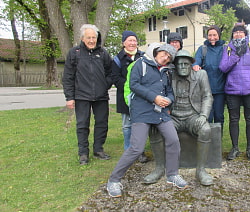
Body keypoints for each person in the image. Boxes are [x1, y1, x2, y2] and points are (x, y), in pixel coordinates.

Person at [106, 43, 188, 198]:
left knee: (173, 140)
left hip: (161, 113)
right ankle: (113, 180)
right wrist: (154, 97)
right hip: (141, 112)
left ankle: (172, 175)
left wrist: (168, 100)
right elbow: (133, 85)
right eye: (164, 54)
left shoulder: (167, 71)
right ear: (158, 52)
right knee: (136, 148)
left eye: (169, 57)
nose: (165, 58)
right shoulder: (141, 63)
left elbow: (170, 91)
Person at [144, 49, 214, 186]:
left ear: (191, 65)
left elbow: (207, 96)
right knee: (155, 129)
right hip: (173, 117)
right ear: (175, 66)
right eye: (180, 64)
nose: (183, 67)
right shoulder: (169, 74)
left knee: (205, 130)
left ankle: (201, 170)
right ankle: (159, 168)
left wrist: (203, 115)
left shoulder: (201, 75)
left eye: (186, 64)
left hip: (192, 116)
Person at [63, 24, 112, 165]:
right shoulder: (74, 53)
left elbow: (110, 72)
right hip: (81, 96)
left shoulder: (103, 53)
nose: (91, 40)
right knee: (82, 125)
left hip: (101, 96)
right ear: (82, 38)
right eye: (88, 37)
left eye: (94, 37)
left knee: (102, 123)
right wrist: (69, 97)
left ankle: (98, 149)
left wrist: (105, 85)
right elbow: (68, 77)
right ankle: (83, 153)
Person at [219, 23, 250, 161]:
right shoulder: (228, 49)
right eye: (235, 32)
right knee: (234, 120)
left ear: (245, 34)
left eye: (241, 32)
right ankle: (235, 148)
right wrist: (235, 56)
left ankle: (249, 149)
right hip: (232, 90)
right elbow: (223, 68)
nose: (238, 34)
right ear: (232, 35)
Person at [111, 30, 148, 163]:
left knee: (140, 125)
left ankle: (140, 151)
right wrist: (130, 86)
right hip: (125, 97)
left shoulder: (143, 57)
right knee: (127, 126)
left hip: (141, 97)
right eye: (129, 40)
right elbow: (115, 77)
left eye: (134, 40)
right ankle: (128, 151)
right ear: (123, 43)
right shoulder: (117, 59)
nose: (132, 43)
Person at [192, 25, 226, 129]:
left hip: (221, 89)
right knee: (208, 115)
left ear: (219, 35)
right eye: (210, 35)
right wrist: (195, 65)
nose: (212, 37)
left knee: (219, 116)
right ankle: (208, 139)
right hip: (206, 89)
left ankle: (218, 140)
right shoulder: (203, 49)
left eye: (214, 35)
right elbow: (195, 61)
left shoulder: (225, 49)